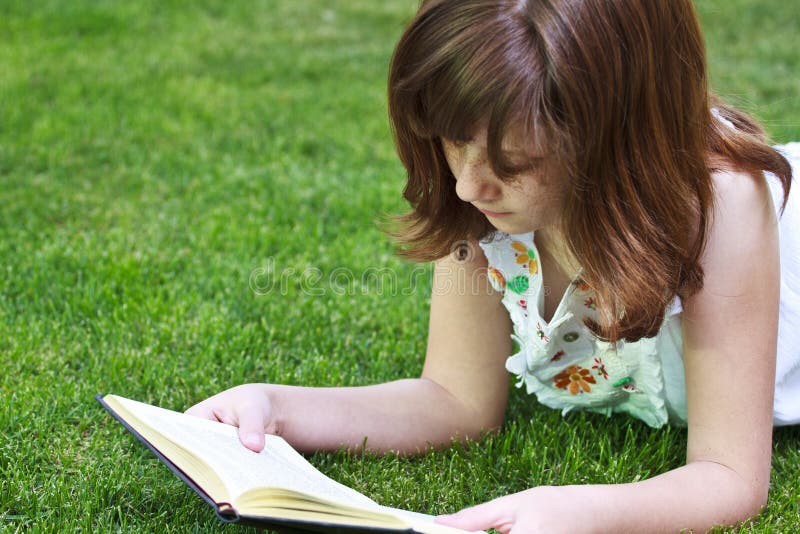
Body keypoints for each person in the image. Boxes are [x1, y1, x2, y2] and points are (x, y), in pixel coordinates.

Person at [186, 0, 799, 531]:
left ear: (616, 143)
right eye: (452, 141)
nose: (466, 187)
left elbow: (729, 475)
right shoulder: (488, 203)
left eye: (515, 164)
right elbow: (454, 397)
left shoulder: (723, 208)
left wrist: (581, 512)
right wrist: (277, 407)